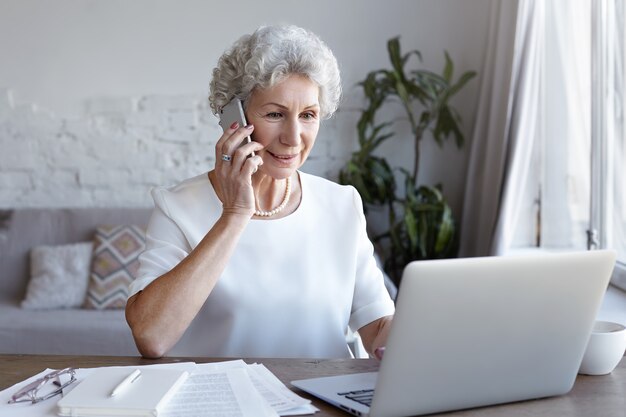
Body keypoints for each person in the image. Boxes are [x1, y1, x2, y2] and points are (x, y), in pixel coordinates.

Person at [125, 24, 395, 359]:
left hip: (324, 403)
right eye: (275, 114)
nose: (294, 137)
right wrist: (235, 214)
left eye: (308, 115)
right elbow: (151, 336)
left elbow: (378, 331)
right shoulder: (178, 207)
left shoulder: (341, 204)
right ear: (232, 118)